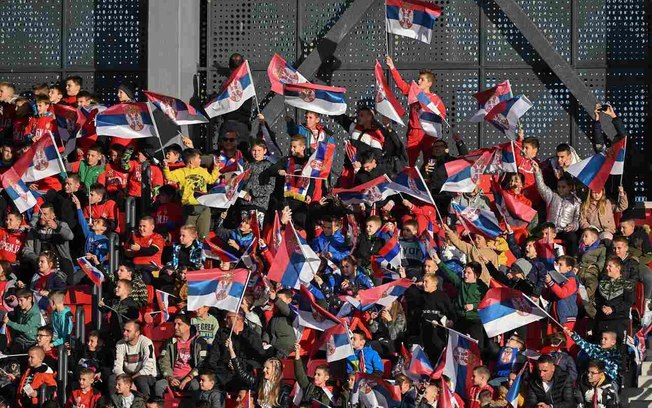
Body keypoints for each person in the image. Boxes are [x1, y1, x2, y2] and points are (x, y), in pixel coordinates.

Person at [385, 56, 446, 166]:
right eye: (419, 79)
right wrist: (392, 67)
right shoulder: (414, 92)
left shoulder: (435, 99)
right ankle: (409, 181)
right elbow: (401, 85)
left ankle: (429, 180)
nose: (418, 81)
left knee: (430, 162)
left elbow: (441, 116)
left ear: (429, 83)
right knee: (409, 162)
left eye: (422, 80)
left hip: (428, 134)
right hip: (414, 132)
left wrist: (436, 133)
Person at [162, 148, 220, 239]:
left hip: (203, 206)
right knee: (189, 236)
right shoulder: (181, 172)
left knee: (203, 236)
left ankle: (201, 251)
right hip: (189, 207)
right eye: (199, 158)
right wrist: (165, 167)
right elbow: (169, 176)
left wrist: (216, 167)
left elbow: (212, 179)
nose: (201, 160)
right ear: (192, 161)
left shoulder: (202, 171)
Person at [226, 337, 291, 407]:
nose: (264, 370)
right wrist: (231, 350)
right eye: (264, 367)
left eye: (267, 368)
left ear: (275, 371)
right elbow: (241, 373)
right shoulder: (259, 383)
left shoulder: (283, 390)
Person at [154, 314, 208, 397]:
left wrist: (189, 378)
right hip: (172, 378)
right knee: (159, 385)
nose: (175, 327)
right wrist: (169, 377)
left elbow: (202, 363)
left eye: (179, 324)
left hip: (191, 378)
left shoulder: (200, 342)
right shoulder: (169, 342)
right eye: (174, 324)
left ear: (188, 326)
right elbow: (163, 362)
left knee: (195, 385)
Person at [533, 163, 580, 256]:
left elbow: (576, 219)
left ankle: (571, 259)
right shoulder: (552, 196)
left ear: (570, 187)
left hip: (564, 231)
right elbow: (541, 187)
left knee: (573, 238)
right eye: (559, 187)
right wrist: (538, 172)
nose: (560, 189)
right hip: (550, 229)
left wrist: (573, 226)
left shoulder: (575, 202)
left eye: (563, 187)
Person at [111, 320, 157, 400]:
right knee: (112, 378)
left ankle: (145, 403)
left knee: (140, 379)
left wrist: (130, 380)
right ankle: (116, 403)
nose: (124, 333)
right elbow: (117, 367)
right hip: (127, 376)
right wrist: (126, 380)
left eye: (128, 331)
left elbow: (148, 368)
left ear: (137, 333)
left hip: (146, 376)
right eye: (124, 330)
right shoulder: (120, 344)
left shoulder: (146, 343)